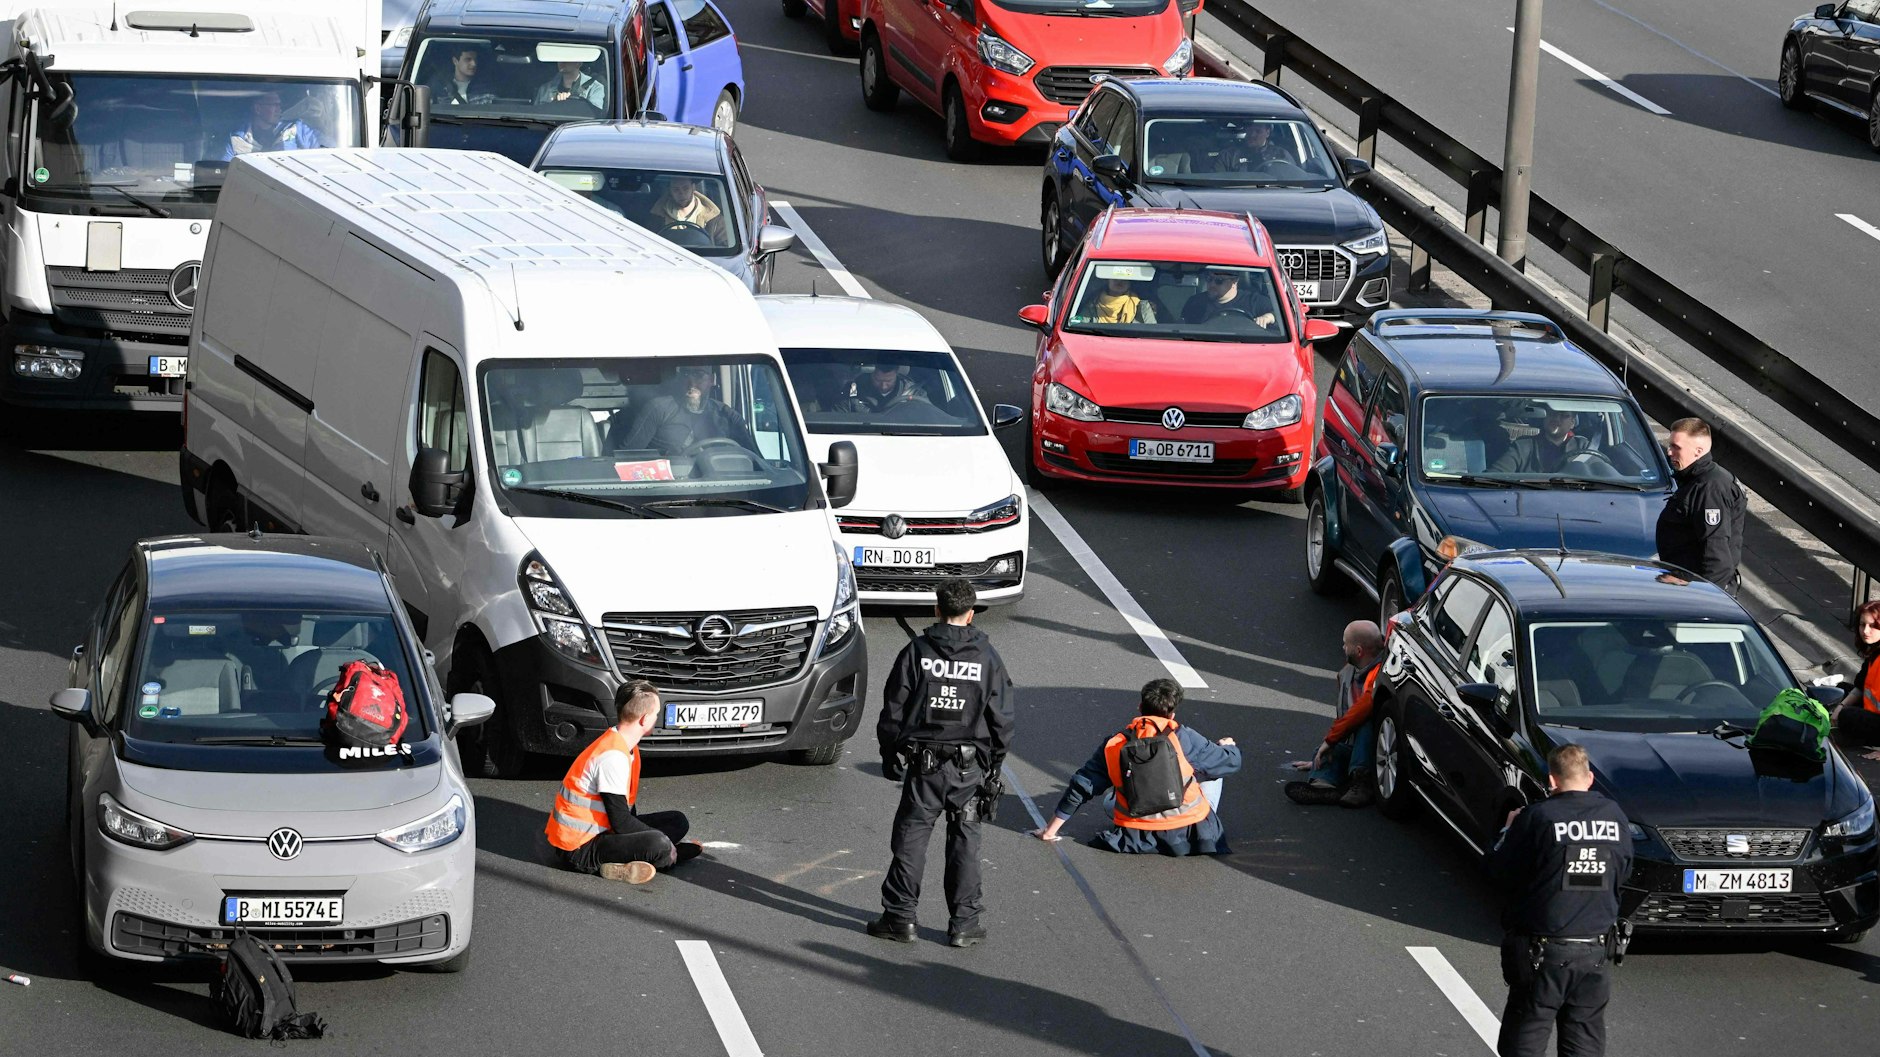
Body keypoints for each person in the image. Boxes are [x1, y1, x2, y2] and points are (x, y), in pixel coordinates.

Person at [870, 577, 1014, 948]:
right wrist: (995, 765)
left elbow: (894, 708)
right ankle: (964, 924)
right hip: (968, 769)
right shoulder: (987, 658)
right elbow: (1002, 718)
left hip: (925, 769)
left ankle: (900, 918)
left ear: (937, 609)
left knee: (911, 841)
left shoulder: (916, 652)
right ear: (971, 613)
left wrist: (889, 752)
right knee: (965, 843)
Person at [1486, 743, 1631, 1057]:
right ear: (1589, 778)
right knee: (1583, 1044)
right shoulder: (1615, 816)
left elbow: (1500, 871)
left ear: (1552, 781)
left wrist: (1507, 830)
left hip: (1544, 954)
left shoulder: (1539, 817)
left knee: (1524, 1040)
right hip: (1595, 952)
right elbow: (1623, 871)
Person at [1032, 678, 1242, 855]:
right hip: (1191, 830)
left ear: (1140, 707)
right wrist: (1227, 747)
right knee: (1211, 769)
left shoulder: (1115, 743)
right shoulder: (1183, 737)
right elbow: (1231, 763)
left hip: (1138, 832)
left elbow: (1082, 786)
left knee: (1110, 801)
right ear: (1172, 715)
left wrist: (1049, 831)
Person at [545, 680, 703, 883]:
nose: (657, 718)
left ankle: (635, 858)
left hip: (602, 832)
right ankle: (657, 858)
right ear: (645, 719)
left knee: (677, 821)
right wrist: (669, 845)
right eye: (656, 714)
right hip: (579, 849)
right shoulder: (613, 757)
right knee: (660, 844)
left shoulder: (625, 745)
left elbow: (627, 811)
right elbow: (621, 822)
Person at [1285, 620, 1384, 808]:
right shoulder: (1346, 674)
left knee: (1364, 722)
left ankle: (1361, 781)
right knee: (1325, 752)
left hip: (1374, 749)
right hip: (1354, 746)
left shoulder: (1381, 673)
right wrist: (1326, 748)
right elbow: (1344, 718)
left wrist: (1330, 740)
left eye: (1346, 644)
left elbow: (1362, 708)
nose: (1343, 648)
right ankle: (1323, 786)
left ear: (1359, 651)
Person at [1655, 417, 1746, 594]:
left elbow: (1716, 555)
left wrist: (1703, 596)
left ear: (1698, 451)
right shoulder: (1696, 480)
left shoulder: (1709, 489)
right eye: (1670, 445)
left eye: (1676, 447)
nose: (1669, 452)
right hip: (1684, 582)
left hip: (1694, 590)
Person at [613, 365, 756, 455]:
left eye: (699, 375)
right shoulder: (659, 409)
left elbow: (755, 462)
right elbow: (625, 457)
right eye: (686, 374)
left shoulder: (728, 417)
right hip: (667, 490)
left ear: (712, 380)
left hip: (717, 489)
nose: (691, 383)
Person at [1824, 599, 1880, 760]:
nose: (1866, 631)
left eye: (1873, 626)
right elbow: (1860, 687)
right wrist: (1840, 706)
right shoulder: (1874, 652)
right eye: (1862, 625)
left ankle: (1858, 737)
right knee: (1840, 689)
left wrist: (1841, 711)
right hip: (1873, 712)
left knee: (1847, 716)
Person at [220, 91, 323, 161]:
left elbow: (322, 155)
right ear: (258, 109)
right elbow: (225, 170)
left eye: (280, 105)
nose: (279, 109)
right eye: (275, 105)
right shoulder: (236, 139)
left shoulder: (298, 129)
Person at [1489, 409, 1595, 474]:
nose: (1556, 418)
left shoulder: (1584, 448)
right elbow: (1494, 476)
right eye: (1552, 413)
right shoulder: (1523, 447)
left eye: (1564, 415)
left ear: (1572, 423)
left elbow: (1602, 475)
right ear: (1545, 417)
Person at [647, 174, 729, 244]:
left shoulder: (714, 219)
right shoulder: (657, 217)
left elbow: (724, 249)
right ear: (670, 191)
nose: (681, 193)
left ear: (693, 188)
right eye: (676, 190)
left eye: (685, 188)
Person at [1182, 269, 1277, 329]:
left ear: (1234, 281)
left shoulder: (1254, 301)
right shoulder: (1195, 302)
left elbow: (1280, 315)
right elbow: (1183, 327)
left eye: (1219, 281)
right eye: (1209, 279)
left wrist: (1268, 317)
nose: (1212, 284)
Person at [840, 365, 930, 415]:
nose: (883, 386)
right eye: (878, 380)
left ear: (897, 374)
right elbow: (839, 418)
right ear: (871, 374)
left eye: (888, 381)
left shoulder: (916, 394)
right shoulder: (853, 390)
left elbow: (929, 418)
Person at [534, 59, 606, 109]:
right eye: (559, 58)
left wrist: (571, 103)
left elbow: (595, 118)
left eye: (567, 58)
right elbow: (537, 114)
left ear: (579, 63)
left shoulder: (595, 88)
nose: (562, 61)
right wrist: (554, 104)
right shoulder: (545, 89)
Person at [1085, 276, 1154, 324]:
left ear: (1130, 283)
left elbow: (1151, 334)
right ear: (1108, 281)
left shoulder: (1143, 306)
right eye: (1115, 277)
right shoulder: (1092, 304)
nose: (1120, 281)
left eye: (1125, 278)